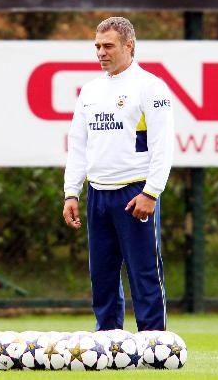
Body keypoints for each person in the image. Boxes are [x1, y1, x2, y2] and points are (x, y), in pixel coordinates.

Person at [62, 17, 174, 331]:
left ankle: (154, 343)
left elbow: (163, 145)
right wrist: (72, 192)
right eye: (97, 46)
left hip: (135, 192)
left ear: (129, 45)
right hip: (98, 193)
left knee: (144, 272)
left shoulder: (150, 87)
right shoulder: (90, 90)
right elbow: (78, 144)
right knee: (102, 275)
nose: (101, 52)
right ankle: (108, 342)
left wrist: (151, 192)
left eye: (108, 46)